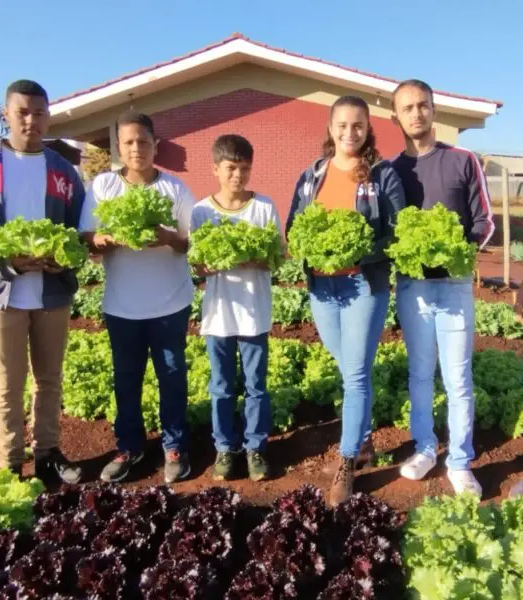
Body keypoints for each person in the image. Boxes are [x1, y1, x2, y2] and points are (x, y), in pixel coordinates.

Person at [0, 80, 85, 483]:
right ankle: (8, 463)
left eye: (39, 112)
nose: (31, 120)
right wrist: (4, 260)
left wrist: (64, 259)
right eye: (22, 112)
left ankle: (47, 453)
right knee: (6, 383)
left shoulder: (62, 170)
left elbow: (78, 231)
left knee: (49, 379)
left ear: (48, 116)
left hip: (51, 292)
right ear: (5, 113)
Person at [286, 96, 405, 506]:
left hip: (363, 287)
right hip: (323, 288)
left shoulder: (381, 174)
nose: (349, 133)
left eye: (358, 125)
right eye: (342, 125)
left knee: (355, 374)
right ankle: (365, 438)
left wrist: (359, 253)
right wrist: (307, 250)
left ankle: (347, 460)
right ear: (331, 127)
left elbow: (395, 231)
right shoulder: (312, 173)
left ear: (367, 128)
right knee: (347, 368)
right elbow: (294, 225)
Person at [391, 79, 495, 495]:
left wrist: (456, 254)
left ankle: (460, 461)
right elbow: (387, 232)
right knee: (419, 374)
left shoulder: (463, 160)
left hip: (453, 286)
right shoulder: (390, 170)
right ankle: (425, 447)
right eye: (407, 107)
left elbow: (483, 221)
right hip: (413, 287)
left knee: (457, 377)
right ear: (396, 115)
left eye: (423, 105)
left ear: (434, 110)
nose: (416, 113)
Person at [81, 111, 194, 485]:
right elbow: (89, 238)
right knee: (126, 379)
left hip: (170, 304)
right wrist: (106, 239)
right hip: (122, 306)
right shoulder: (103, 186)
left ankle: (174, 446)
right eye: (128, 142)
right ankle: (129, 447)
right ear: (118, 147)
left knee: (172, 376)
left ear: (155, 145)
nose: (136, 148)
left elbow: (189, 243)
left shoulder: (174, 189)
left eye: (143, 141)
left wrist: (166, 237)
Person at [191, 134, 281, 482]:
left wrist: (251, 258)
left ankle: (255, 447)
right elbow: (196, 265)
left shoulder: (264, 207)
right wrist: (210, 263)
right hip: (218, 315)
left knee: (257, 386)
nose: (238, 176)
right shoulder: (202, 211)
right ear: (215, 168)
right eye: (230, 168)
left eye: (244, 168)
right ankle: (225, 449)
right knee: (221, 386)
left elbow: (275, 258)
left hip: (254, 313)